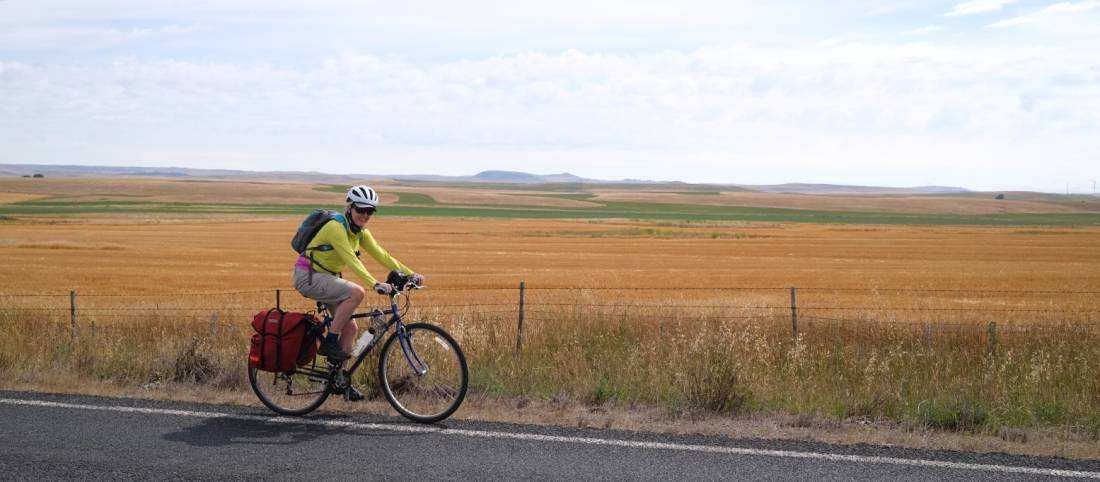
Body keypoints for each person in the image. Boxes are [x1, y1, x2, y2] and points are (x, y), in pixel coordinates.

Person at [292, 185, 424, 401]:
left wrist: (411, 274)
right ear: (350, 207)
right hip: (308, 276)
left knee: (351, 328)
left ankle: (339, 380)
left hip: (328, 277)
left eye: (369, 211)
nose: (364, 215)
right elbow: (352, 260)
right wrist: (374, 284)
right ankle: (329, 343)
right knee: (356, 293)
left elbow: (382, 255)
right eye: (360, 209)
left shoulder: (361, 233)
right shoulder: (336, 227)